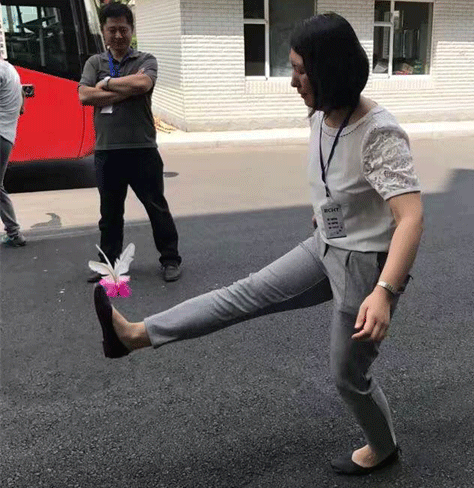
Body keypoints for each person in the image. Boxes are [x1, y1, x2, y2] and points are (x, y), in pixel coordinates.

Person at [93, 12, 423, 476]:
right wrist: (330, 210)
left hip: (366, 268)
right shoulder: (322, 113)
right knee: (242, 295)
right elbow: (340, 176)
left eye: (301, 71)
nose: (293, 82)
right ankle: (133, 336)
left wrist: (384, 293)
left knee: (348, 376)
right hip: (326, 244)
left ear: (330, 71)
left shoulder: (379, 132)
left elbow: (411, 217)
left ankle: (384, 447)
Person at [79, 2, 182, 283]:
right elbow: (85, 96)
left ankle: (170, 260)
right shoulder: (94, 63)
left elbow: (143, 85)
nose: (118, 36)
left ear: (132, 30)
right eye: (112, 30)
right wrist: (126, 89)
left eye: (123, 30)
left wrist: (106, 84)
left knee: (156, 208)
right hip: (107, 151)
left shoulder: (146, 59)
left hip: (142, 149)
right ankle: (109, 264)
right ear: (103, 31)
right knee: (110, 214)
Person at [0, 57, 26, 248]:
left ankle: (14, 233)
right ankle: (14, 233)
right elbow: (22, 105)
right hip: (6, 135)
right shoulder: (9, 69)